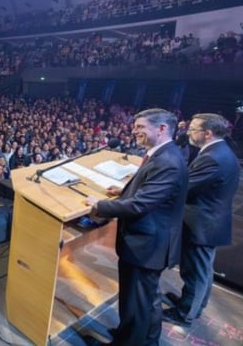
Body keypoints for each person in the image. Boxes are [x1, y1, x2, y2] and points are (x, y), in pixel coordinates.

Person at [85, 108, 188, 345]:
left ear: (162, 129)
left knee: (138, 300)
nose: (134, 131)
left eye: (141, 127)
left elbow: (142, 204)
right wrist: (124, 191)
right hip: (149, 242)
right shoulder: (163, 154)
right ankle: (140, 338)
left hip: (147, 245)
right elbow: (152, 190)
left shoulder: (168, 161)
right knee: (145, 300)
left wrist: (100, 205)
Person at [163, 113, 240, 327]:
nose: (188, 132)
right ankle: (195, 305)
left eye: (193, 129)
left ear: (207, 133)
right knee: (202, 271)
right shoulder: (219, 151)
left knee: (195, 272)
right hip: (210, 222)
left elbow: (185, 188)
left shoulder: (213, 158)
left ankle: (185, 313)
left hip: (202, 225)